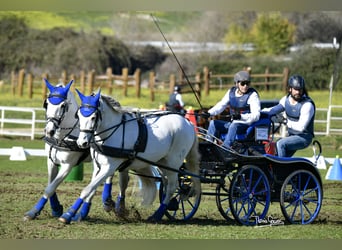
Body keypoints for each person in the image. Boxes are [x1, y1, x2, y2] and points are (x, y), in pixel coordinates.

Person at [203, 70, 261, 149]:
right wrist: (209, 113)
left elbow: (256, 115)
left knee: (234, 124)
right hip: (232, 124)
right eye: (243, 83)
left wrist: (240, 116)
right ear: (237, 84)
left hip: (246, 125)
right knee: (213, 123)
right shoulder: (231, 92)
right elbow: (221, 105)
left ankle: (225, 149)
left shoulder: (253, 95)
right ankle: (208, 148)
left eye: (248, 83)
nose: (245, 86)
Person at [263, 74, 315, 157]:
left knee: (280, 144)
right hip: (292, 136)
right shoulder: (286, 100)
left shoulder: (307, 105)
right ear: (290, 89)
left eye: (300, 89)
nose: (298, 92)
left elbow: (301, 127)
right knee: (275, 151)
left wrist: (285, 121)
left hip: (304, 138)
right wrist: (258, 112)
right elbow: (272, 110)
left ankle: (281, 168)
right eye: (295, 89)